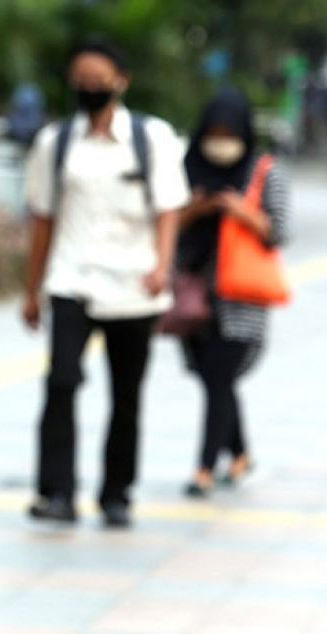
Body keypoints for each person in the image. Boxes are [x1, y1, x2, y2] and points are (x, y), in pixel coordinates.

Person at [21, 37, 188, 527]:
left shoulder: (152, 137)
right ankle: (57, 493)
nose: (90, 89)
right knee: (61, 383)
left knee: (126, 393)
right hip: (71, 279)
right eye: (82, 82)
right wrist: (31, 290)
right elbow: (43, 220)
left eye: (99, 81)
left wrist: (163, 263)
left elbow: (169, 208)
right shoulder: (55, 144)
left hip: (135, 286)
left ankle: (117, 493)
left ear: (121, 81)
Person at [177, 88, 289, 497]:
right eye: (215, 131)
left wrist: (240, 210)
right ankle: (240, 453)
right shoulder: (187, 166)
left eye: (229, 131)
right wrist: (200, 209)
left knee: (219, 376)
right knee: (212, 379)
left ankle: (204, 468)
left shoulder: (265, 171)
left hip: (240, 299)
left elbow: (279, 232)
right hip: (192, 293)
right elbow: (169, 222)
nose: (220, 140)